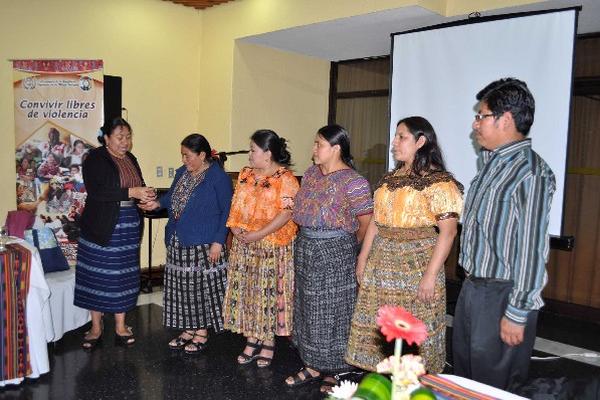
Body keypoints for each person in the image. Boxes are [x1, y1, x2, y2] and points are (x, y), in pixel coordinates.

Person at [453, 78, 556, 390]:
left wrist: (517, 311)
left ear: (506, 120)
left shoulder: (531, 172)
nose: (475, 124)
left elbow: (532, 249)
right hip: (473, 288)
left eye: (481, 116)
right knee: (465, 378)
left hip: (502, 294)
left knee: (495, 385)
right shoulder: (490, 164)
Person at [345, 116, 463, 374]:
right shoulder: (390, 179)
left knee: (412, 330)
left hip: (416, 265)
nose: (394, 142)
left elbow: (448, 232)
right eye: (396, 136)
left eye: (402, 137)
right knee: (383, 330)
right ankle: (384, 382)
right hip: (382, 262)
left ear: (421, 141)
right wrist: (363, 258)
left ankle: (413, 385)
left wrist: (430, 276)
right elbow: (376, 221)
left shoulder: (439, 182)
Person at [286, 125, 373, 393]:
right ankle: (312, 363)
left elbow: (366, 223)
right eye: (314, 143)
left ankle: (335, 370)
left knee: (334, 312)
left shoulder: (354, 181)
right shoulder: (311, 174)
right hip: (305, 247)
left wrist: (344, 247)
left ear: (336, 148)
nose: (313, 149)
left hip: (335, 251)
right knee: (308, 308)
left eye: (319, 144)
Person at [140, 134, 232, 354]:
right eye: (182, 155)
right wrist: (156, 204)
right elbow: (172, 197)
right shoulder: (182, 173)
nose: (184, 160)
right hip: (178, 238)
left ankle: (201, 332)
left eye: (188, 156)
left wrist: (219, 241)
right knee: (181, 290)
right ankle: (188, 329)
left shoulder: (217, 177)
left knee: (198, 290)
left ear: (202, 155)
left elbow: (228, 212)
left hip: (203, 241)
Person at [74, 117, 155, 349]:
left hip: (128, 227)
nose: (125, 142)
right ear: (106, 138)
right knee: (97, 277)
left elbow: (138, 186)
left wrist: (146, 198)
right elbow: (98, 191)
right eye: (120, 137)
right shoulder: (95, 158)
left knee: (123, 276)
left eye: (128, 137)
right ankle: (96, 327)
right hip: (102, 227)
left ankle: (120, 325)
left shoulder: (131, 159)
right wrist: (132, 191)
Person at [223, 129, 299, 367]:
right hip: (244, 244)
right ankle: (251, 338)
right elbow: (236, 204)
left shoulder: (286, 178)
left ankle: (267, 342)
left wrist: (259, 234)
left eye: (253, 150)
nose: (249, 155)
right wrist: (236, 230)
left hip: (271, 245)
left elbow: (287, 213)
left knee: (266, 295)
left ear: (268, 154)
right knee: (248, 294)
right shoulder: (246, 174)